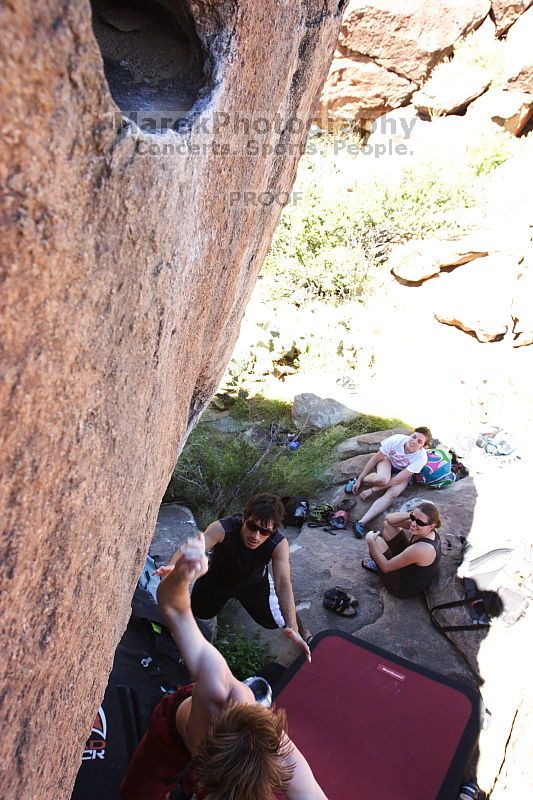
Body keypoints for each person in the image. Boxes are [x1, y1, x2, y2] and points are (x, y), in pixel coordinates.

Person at [120, 534, 328, 800]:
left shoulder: (280, 753)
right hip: (173, 732)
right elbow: (174, 609)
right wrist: (182, 576)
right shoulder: (217, 687)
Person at [167, 493, 311, 661]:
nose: (256, 536)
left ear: (273, 530)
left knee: (274, 621)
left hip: (253, 586)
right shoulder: (223, 528)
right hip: (216, 582)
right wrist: (171, 567)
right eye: (252, 526)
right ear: (244, 518)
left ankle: (303, 633)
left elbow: (283, 583)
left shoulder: (278, 544)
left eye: (264, 531)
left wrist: (292, 626)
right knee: (201, 612)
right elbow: (193, 548)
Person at [347, 427, 432, 537]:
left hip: (402, 473)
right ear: (410, 435)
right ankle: (359, 480)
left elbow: (397, 480)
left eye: (419, 441)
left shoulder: (421, 458)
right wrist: (359, 479)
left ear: (423, 446)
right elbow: (375, 459)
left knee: (393, 493)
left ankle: (361, 523)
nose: (414, 441)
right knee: (382, 479)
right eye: (414, 437)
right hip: (387, 462)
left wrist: (372, 490)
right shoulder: (395, 440)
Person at [362, 503, 442, 599]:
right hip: (408, 568)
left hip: (402, 587)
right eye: (413, 518)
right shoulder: (425, 529)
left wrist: (370, 542)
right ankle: (382, 561)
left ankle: (379, 566)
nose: (413, 524)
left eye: (420, 522)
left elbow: (386, 567)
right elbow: (389, 520)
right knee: (388, 526)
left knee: (376, 541)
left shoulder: (423, 548)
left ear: (432, 526)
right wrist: (411, 515)